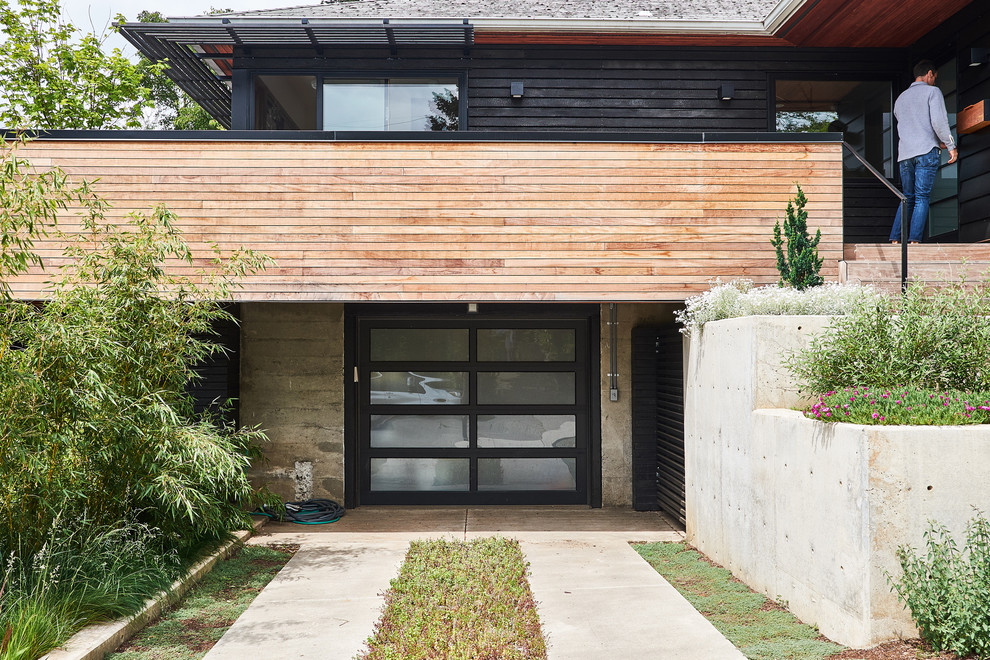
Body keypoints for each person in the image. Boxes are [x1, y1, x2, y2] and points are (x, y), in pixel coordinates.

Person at [888, 60, 958, 244]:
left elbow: (909, 127)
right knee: (922, 197)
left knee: (907, 197)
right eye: (934, 77)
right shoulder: (932, 92)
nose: (934, 81)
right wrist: (950, 146)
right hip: (926, 152)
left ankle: (895, 239)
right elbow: (939, 122)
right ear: (929, 74)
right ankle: (914, 241)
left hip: (905, 155)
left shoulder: (900, 98)